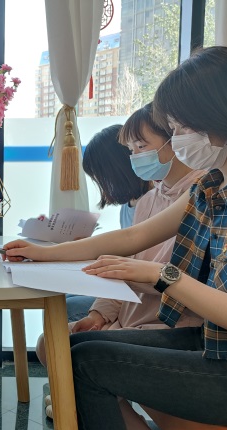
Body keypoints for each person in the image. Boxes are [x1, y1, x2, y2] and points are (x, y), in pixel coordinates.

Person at [5, 46, 227, 430]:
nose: (179, 139)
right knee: (69, 348)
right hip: (212, 345)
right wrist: (42, 252)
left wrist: (159, 275)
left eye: (181, 127)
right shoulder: (210, 188)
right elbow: (132, 237)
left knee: (85, 362)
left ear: (222, 115)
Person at [37, 103, 205, 430]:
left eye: (141, 147)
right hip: (133, 317)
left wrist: (127, 272)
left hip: (169, 323)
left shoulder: (201, 193)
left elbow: (165, 273)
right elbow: (125, 262)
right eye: (131, 150)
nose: (136, 157)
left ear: (175, 140)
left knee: (72, 353)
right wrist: (100, 312)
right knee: (51, 343)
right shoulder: (149, 200)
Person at [58, 125, 154, 326]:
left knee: (67, 306)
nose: (102, 185)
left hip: (140, 296)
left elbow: (134, 257)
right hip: (126, 289)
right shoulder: (129, 205)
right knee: (66, 298)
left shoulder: (153, 203)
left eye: (101, 177)